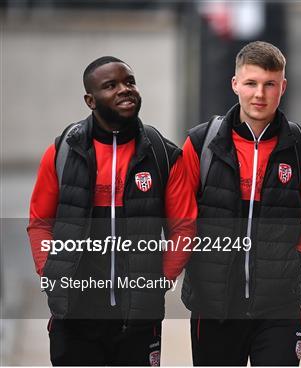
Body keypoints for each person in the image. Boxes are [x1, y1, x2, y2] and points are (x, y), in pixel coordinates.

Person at [27, 56, 196, 366]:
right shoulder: (62, 152)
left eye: (129, 82)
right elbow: (40, 222)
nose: (124, 89)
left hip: (138, 320)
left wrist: (160, 279)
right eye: (111, 85)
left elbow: (184, 228)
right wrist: (50, 271)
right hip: (74, 316)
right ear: (90, 100)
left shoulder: (164, 154)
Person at [181, 41, 301, 366]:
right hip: (214, 306)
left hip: (280, 306)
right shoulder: (201, 143)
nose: (259, 94)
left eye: (269, 84)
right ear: (235, 84)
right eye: (250, 83)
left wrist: (298, 259)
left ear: (283, 87)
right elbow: (181, 218)